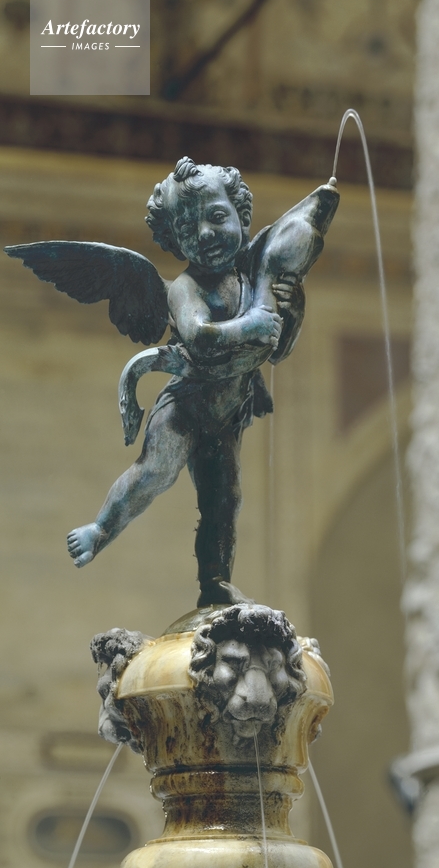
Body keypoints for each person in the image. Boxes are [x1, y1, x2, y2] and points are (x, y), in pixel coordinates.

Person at [65, 156, 339, 606]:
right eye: (189, 228)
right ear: (174, 240)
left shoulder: (253, 279)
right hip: (185, 406)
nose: (206, 234)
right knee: (154, 473)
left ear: (242, 217)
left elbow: (277, 350)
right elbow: (200, 336)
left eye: (216, 217)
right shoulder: (185, 288)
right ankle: (101, 528)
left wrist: (293, 310)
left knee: (225, 498)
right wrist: (251, 325)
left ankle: (215, 581)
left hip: (228, 412)